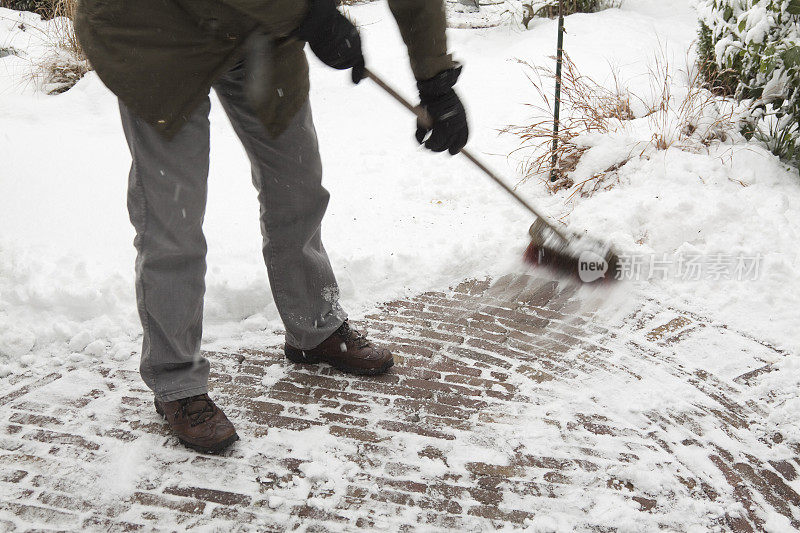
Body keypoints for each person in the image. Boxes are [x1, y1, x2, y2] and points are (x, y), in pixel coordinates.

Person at [74, 0, 469, 454]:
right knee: (174, 219)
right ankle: (176, 381)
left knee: (297, 185)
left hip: (260, 32)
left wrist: (435, 80)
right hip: (155, 34)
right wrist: (307, 13)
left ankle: (314, 328)